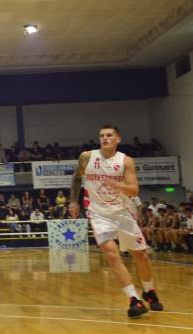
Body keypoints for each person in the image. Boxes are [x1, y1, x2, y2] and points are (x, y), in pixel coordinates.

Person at [70, 125, 163, 318]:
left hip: (123, 211)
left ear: (118, 139)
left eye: (109, 135)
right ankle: (133, 300)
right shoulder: (87, 156)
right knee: (111, 255)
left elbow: (134, 190)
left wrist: (117, 184)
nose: (104, 138)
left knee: (141, 256)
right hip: (98, 213)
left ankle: (149, 290)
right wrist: (73, 201)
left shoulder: (125, 161)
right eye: (102, 135)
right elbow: (76, 179)